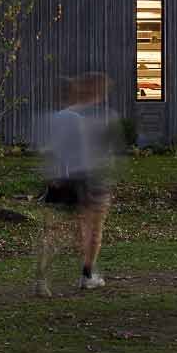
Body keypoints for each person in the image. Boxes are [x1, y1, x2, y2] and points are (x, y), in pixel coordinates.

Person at [35, 72, 118, 296]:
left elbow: (49, 149)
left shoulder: (55, 118)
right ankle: (87, 274)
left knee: (52, 231)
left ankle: (42, 278)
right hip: (82, 177)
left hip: (57, 179)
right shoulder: (85, 120)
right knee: (94, 227)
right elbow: (89, 152)